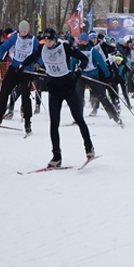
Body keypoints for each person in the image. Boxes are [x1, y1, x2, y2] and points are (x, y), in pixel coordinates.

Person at [21, 27, 94, 167]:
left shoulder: (65, 47)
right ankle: (56, 156)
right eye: (45, 39)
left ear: (54, 39)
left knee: (78, 118)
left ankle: (89, 146)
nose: (47, 42)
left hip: (68, 87)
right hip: (53, 89)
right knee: (54, 124)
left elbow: (83, 59)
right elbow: (31, 58)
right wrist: (22, 65)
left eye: (49, 39)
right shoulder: (42, 48)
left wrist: (79, 70)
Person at [0, 20, 39, 135]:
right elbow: (2, 48)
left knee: (26, 96)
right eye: (21, 31)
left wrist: (38, 63)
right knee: (4, 91)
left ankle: (27, 121)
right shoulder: (15, 38)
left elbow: (40, 53)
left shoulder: (33, 40)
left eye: (25, 31)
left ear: (28, 30)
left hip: (26, 70)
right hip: (15, 68)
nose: (23, 33)